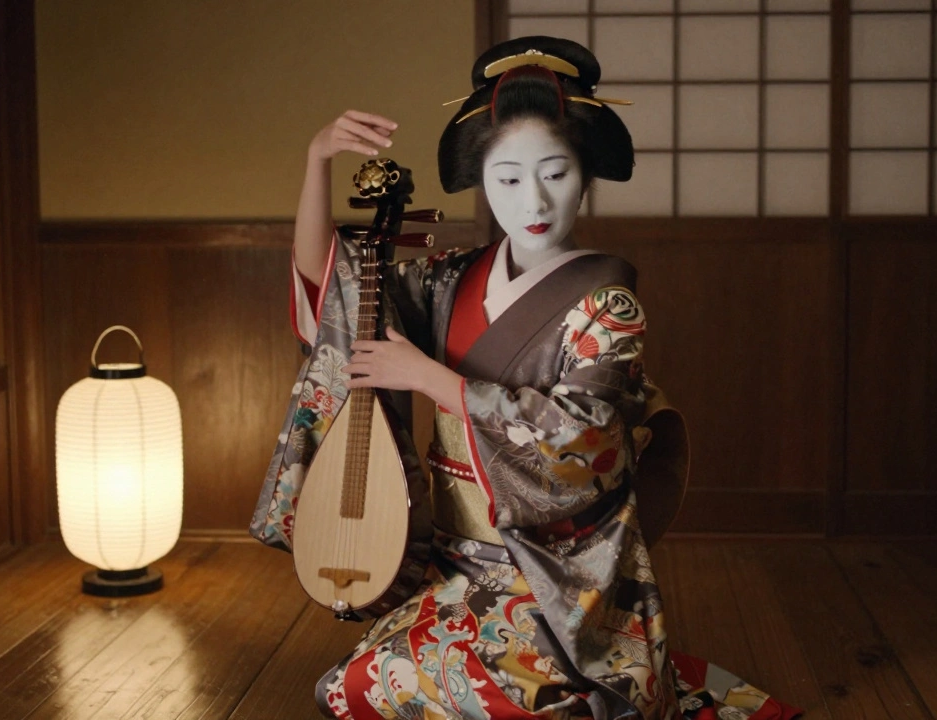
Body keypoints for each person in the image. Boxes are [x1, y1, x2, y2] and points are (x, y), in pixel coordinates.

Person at [251, 36, 802, 720]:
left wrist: (431, 379)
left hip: (559, 579)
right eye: (508, 178)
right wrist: (316, 164)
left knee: (515, 703)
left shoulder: (608, 304)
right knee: (351, 687)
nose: (533, 199)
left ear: (585, 175)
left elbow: (586, 441)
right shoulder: (453, 280)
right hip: (454, 566)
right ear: (481, 181)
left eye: (556, 172)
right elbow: (336, 292)